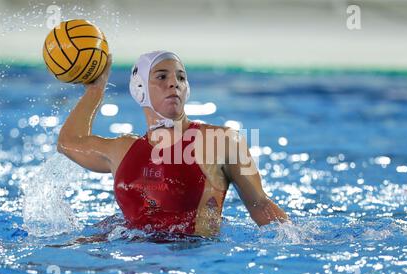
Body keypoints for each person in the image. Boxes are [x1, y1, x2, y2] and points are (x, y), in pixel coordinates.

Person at [57, 50, 289, 237]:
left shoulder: (222, 141)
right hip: (129, 257)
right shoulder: (122, 150)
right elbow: (68, 142)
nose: (174, 84)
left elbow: (260, 205)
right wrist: (96, 90)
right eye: (161, 76)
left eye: (181, 77)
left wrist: (301, 242)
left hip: (194, 259)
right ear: (139, 89)